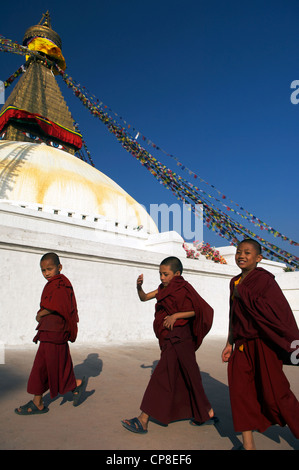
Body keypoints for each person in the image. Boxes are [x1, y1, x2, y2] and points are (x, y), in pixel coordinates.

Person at [121, 256, 217, 434]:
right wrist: (139, 286)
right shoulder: (162, 290)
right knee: (189, 375)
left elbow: (199, 309)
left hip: (181, 337)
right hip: (171, 338)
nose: (162, 278)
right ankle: (206, 413)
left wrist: (176, 316)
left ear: (177, 274)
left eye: (166, 274)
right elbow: (144, 298)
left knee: (162, 375)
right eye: (160, 274)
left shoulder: (183, 288)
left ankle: (143, 419)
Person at [221, 238, 299, 450]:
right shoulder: (234, 282)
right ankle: (248, 445)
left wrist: (245, 295)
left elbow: (277, 311)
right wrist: (230, 343)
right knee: (240, 392)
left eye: (247, 252)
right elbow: (233, 315)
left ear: (259, 258)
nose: (241, 255)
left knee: (277, 393)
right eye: (239, 251)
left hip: (264, 343)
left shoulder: (265, 281)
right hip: (242, 344)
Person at [15, 252, 85, 415]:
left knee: (48, 366)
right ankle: (42, 399)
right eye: (43, 270)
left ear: (59, 267)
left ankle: (43, 400)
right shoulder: (55, 283)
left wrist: (40, 314)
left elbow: (57, 305)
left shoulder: (60, 283)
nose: (46, 273)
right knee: (50, 365)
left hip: (55, 332)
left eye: (49, 269)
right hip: (50, 331)